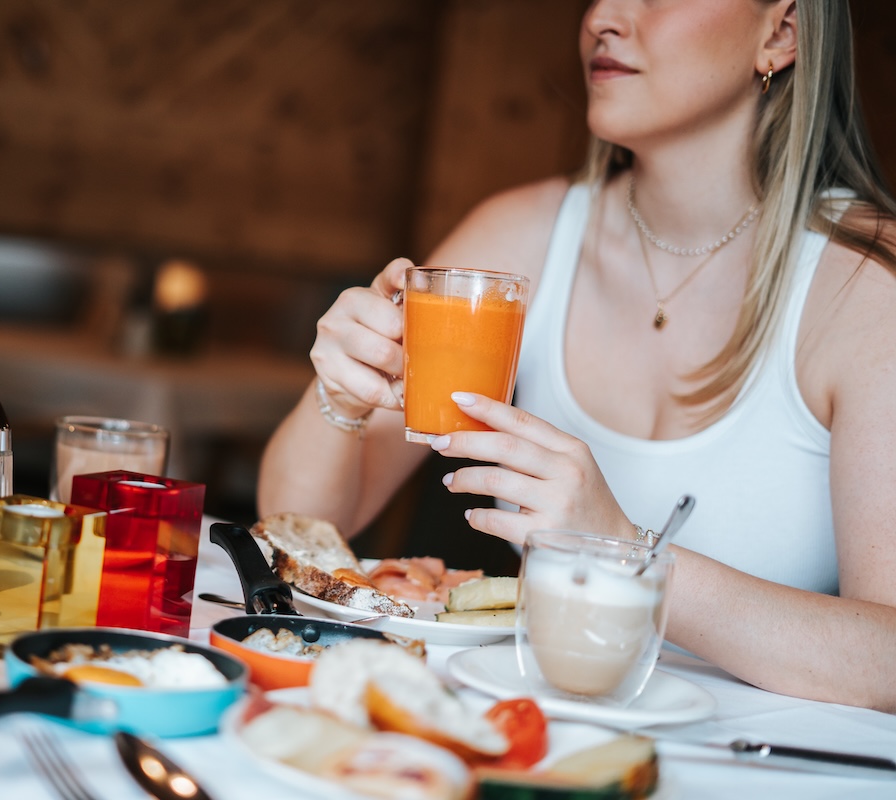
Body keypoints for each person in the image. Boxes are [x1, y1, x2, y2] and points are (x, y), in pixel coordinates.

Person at [257, 0, 896, 712]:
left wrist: (622, 552)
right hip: (539, 737)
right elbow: (297, 526)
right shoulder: (518, 238)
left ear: (780, 32)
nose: (605, 17)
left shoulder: (872, 282)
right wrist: (341, 399)